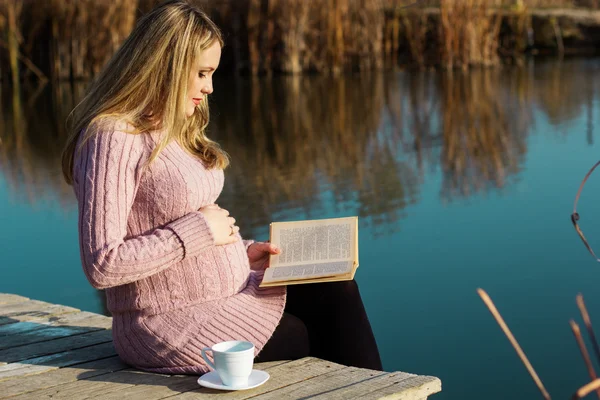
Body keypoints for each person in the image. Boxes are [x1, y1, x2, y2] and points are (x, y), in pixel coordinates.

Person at [61, 0, 382, 374]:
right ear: (166, 65)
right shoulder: (112, 135)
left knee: (338, 290)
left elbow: (183, 228)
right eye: (201, 73)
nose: (209, 87)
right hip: (165, 321)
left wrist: (243, 252)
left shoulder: (173, 128)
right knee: (296, 335)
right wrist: (197, 231)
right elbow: (103, 264)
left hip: (229, 292)